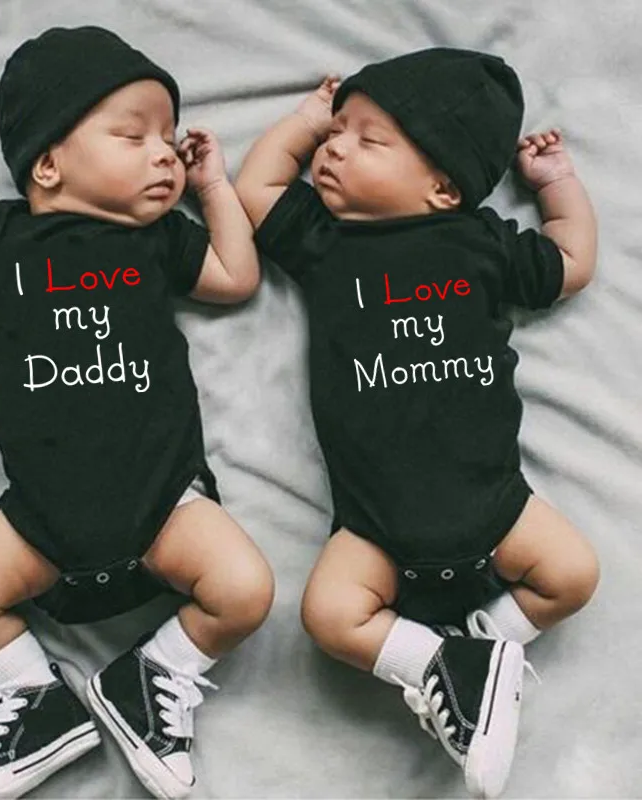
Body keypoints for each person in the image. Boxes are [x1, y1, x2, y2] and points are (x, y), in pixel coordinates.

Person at [0, 26, 273, 800]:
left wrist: (213, 189)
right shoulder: (0, 241)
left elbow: (236, 277)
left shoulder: (156, 238)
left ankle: (150, 676)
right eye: (134, 137)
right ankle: (37, 700)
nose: (165, 154)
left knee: (245, 590)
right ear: (47, 164)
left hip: (163, 503)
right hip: (41, 516)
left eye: (169, 139)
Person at [235, 48, 599, 798]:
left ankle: (479, 650)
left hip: (494, 502)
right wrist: (304, 120)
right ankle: (441, 665)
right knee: (330, 616)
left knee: (573, 574)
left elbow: (571, 259)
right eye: (336, 132)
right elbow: (258, 187)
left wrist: (555, 183)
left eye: (368, 140)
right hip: (375, 523)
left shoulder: (481, 242)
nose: (335, 149)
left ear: (443, 188)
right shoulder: (326, 240)